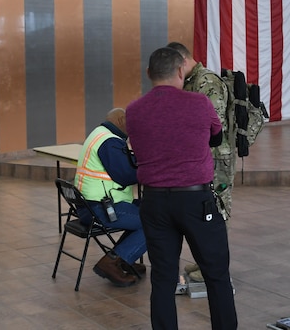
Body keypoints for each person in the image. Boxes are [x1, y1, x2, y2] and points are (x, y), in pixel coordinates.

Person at [127, 47, 237, 330]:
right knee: (216, 274)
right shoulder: (200, 103)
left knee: (163, 277)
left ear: (149, 73)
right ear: (180, 70)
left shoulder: (134, 110)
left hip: (153, 202)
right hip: (195, 200)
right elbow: (216, 137)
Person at [74, 108, 147, 287]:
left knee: (149, 210)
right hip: (100, 208)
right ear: (122, 121)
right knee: (155, 221)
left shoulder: (99, 134)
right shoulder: (109, 142)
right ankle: (112, 261)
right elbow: (125, 176)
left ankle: (123, 259)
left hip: (91, 205)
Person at [166, 42, 234, 215]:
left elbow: (213, 122)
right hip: (201, 154)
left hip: (216, 154)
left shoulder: (206, 81)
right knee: (201, 209)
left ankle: (216, 241)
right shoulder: (189, 81)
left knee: (216, 208)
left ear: (182, 60)